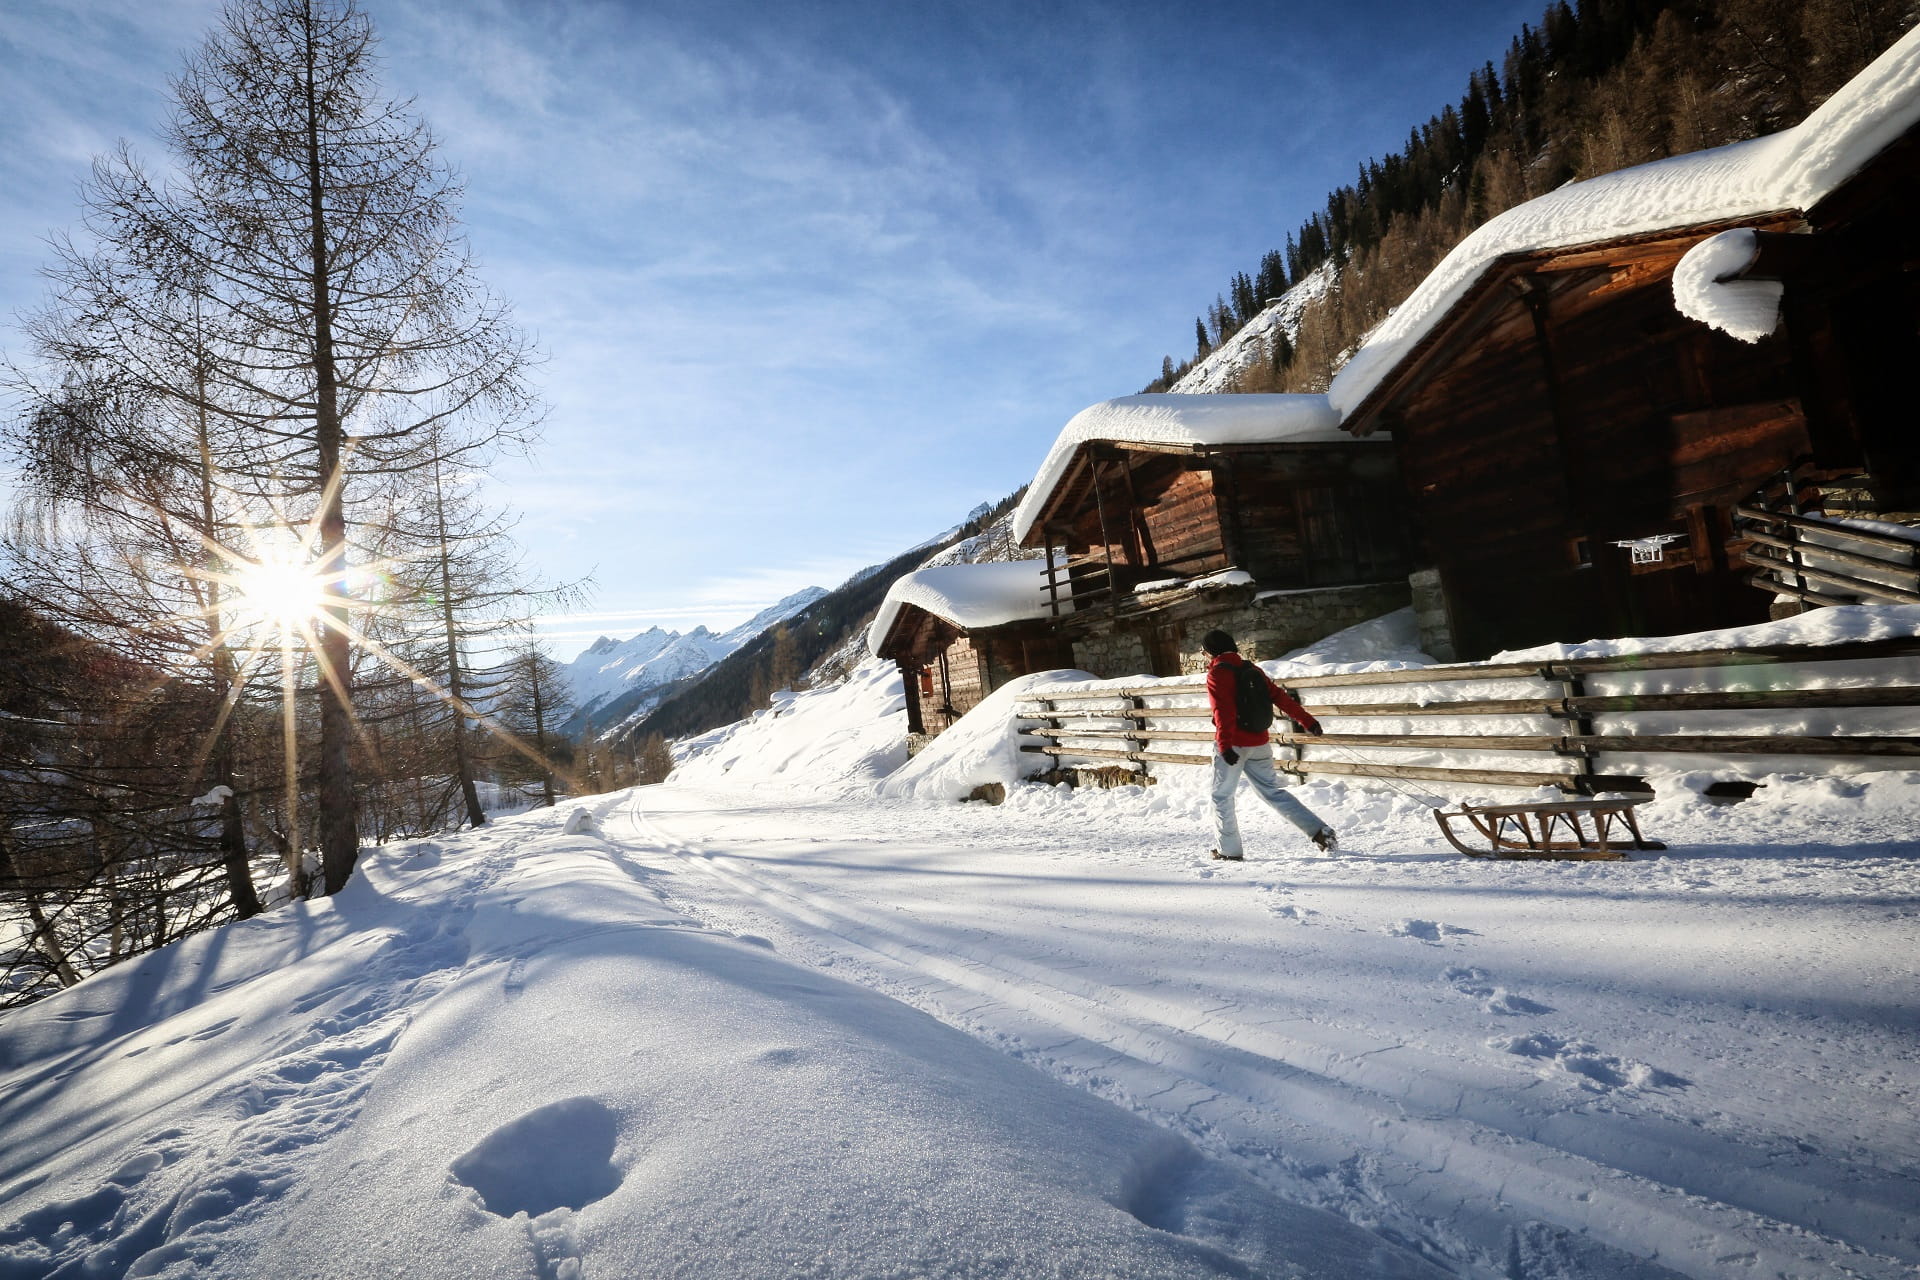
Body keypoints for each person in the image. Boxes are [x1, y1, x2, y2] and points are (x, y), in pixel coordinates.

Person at [1202, 629, 1337, 859]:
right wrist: (1309, 722)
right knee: (1272, 792)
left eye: (1204, 651)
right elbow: (1281, 698)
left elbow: (1223, 711)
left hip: (1233, 745)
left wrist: (1225, 746)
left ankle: (1229, 851)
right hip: (1259, 743)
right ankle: (1320, 832)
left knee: (1222, 797)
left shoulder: (1218, 673)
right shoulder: (1253, 670)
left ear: (1211, 652)